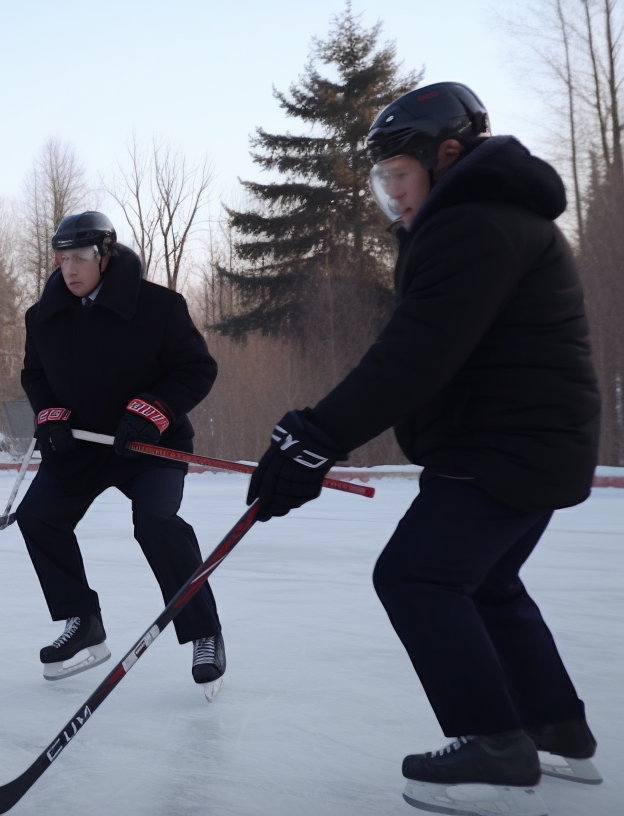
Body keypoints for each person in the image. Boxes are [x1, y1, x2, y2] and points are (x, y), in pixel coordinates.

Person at [247, 83, 602, 814]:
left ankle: (496, 745)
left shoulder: (473, 224)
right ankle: (557, 729)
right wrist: (322, 435)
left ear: (447, 156)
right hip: (525, 445)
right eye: (383, 182)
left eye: (400, 178)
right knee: (488, 583)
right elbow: (429, 351)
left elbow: (416, 354)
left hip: (505, 449)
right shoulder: (496, 219)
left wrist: (319, 435)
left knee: (416, 577)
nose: (395, 197)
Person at [15, 211, 223, 688]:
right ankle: (82, 620)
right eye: (62, 258)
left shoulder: (159, 307)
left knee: (156, 523)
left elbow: (196, 370)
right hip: (82, 446)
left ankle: (203, 633)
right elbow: (35, 374)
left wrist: (154, 410)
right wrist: (49, 413)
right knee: (38, 517)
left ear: (105, 257)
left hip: (150, 445)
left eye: (81, 258)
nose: (69, 269)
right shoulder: (42, 316)